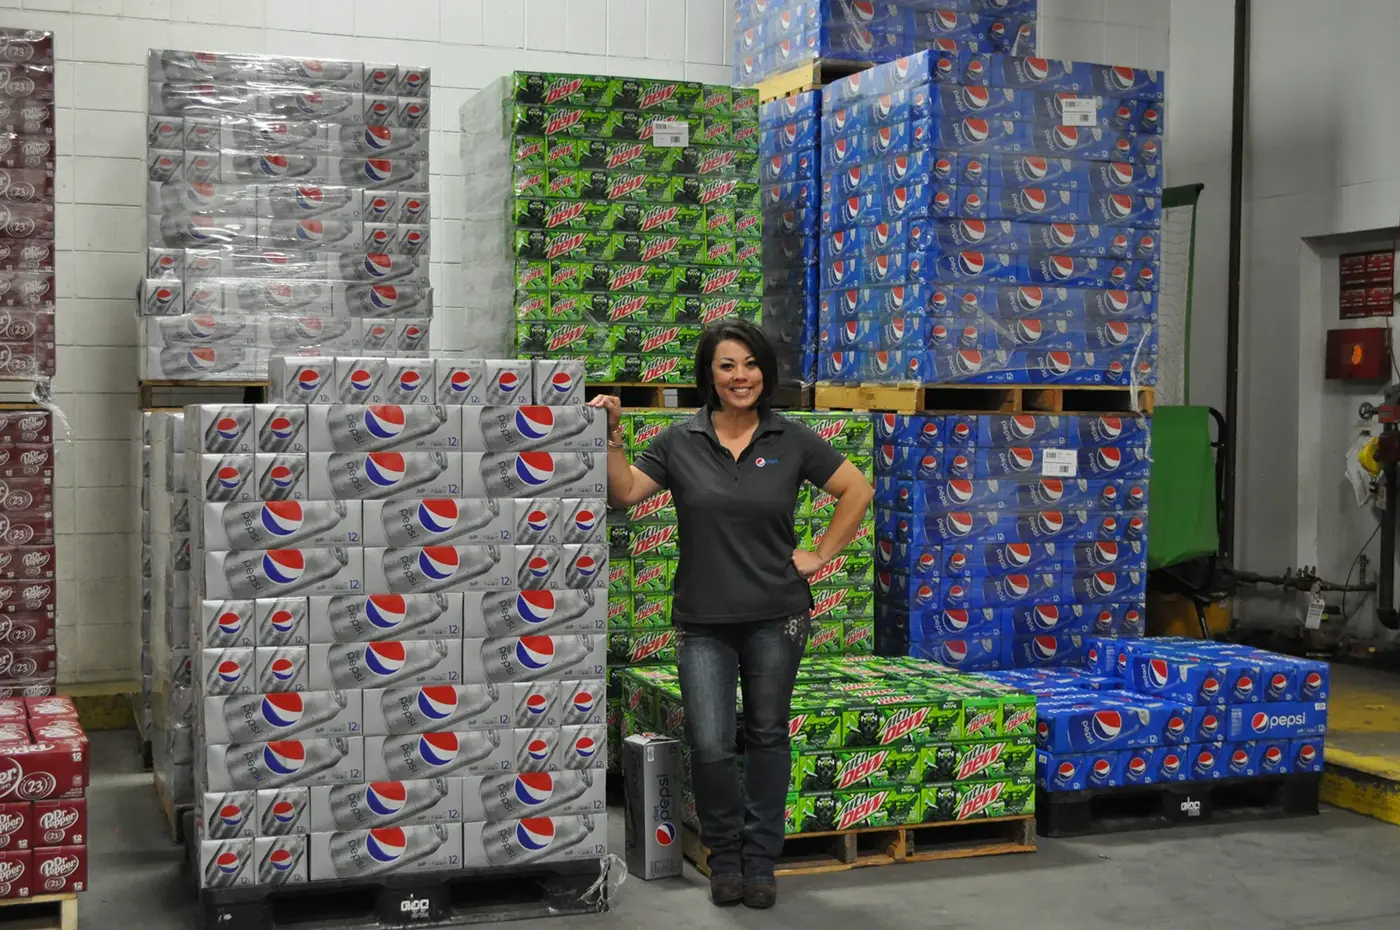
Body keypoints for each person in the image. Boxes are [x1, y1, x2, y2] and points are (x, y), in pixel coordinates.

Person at [590, 320, 875, 908]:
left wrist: (820, 554)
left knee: (768, 734)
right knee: (712, 743)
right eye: (727, 365)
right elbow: (623, 493)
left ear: (764, 372)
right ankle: (725, 856)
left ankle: (760, 861)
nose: (740, 376)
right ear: (710, 376)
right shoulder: (679, 441)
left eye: (750, 364)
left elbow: (857, 490)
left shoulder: (791, 439)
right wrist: (612, 434)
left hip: (778, 616)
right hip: (703, 621)